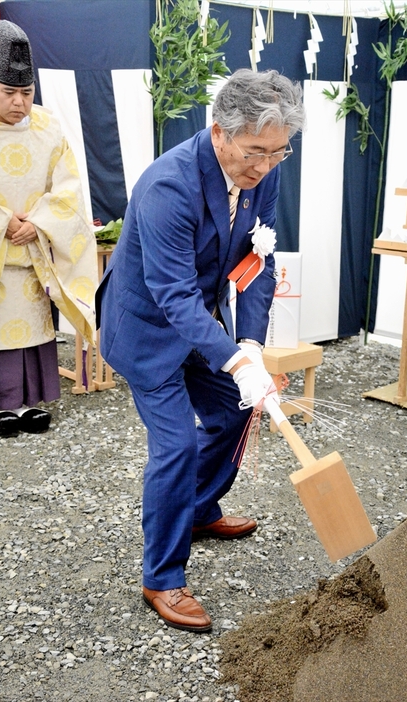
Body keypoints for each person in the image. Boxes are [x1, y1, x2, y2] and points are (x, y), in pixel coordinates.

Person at [97, 69, 305, 632]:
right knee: (177, 443)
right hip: (145, 327)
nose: (263, 166)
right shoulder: (170, 184)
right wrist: (234, 360)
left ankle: (195, 509)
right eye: (254, 152)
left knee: (240, 410)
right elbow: (172, 293)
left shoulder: (264, 173)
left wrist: (253, 347)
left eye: (278, 152)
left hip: (199, 324)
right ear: (219, 132)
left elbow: (259, 261)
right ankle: (161, 576)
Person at [0, 20, 97, 438]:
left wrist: (37, 224)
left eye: (26, 92)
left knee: (33, 330)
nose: (19, 103)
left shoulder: (49, 127)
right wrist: (3, 222)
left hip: (34, 253)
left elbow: (69, 189)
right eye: (8, 93)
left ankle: (29, 402)